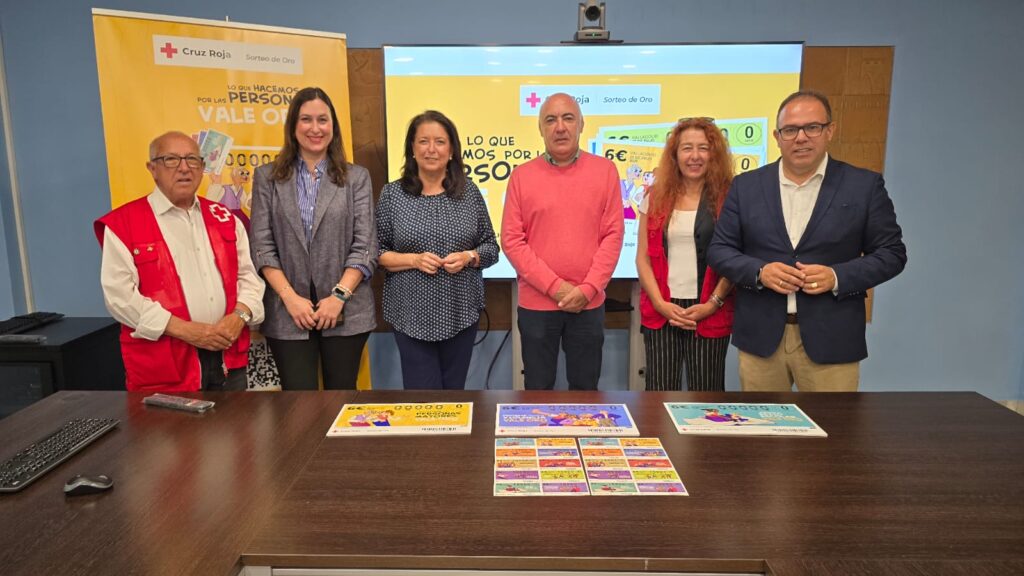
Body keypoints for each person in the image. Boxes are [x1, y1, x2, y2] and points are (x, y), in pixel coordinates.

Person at [708, 90, 906, 391]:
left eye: (812, 127)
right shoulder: (746, 186)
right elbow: (720, 250)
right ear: (777, 136)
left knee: (833, 423)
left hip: (833, 338)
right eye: (790, 130)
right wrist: (760, 272)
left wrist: (837, 276)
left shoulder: (863, 186)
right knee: (760, 422)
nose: (801, 138)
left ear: (830, 131)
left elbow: (892, 253)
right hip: (761, 339)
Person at [95, 131, 265, 392]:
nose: (184, 168)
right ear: (152, 168)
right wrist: (186, 330)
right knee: (169, 422)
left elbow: (249, 278)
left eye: (192, 160)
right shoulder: (124, 224)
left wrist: (239, 316)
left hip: (227, 357)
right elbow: (120, 297)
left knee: (238, 420)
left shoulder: (224, 217)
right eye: (171, 159)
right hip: (165, 363)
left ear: (202, 167)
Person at [249, 87, 377, 390]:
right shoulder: (267, 177)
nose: (315, 128)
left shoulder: (356, 178)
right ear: (293, 126)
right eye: (306, 119)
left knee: (342, 400)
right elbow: (262, 245)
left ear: (333, 126)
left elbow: (365, 245)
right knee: (298, 404)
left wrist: (339, 297)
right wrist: (290, 298)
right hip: (287, 311)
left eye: (323, 119)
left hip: (347, 310)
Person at [501, 93, 624, 390]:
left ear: (581, 124)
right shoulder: (521, 176)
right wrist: (557, 287)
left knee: (586, 391)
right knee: (537, 391)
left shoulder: (605, 171)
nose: (560, 127)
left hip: (588, 304)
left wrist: (588, 288)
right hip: (537, 306)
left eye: (568, 118)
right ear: (540, 128)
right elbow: (512, 240)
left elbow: (613, 235)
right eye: (550, 120)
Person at [376, 110, 499, 390]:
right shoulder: (392, 195)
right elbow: (377, 253)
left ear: (452, 150)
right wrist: (414, 260)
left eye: (440, 142)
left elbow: (491, 248)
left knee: (455, 397)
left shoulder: (469, 193)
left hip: (461, 311)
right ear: (412, 148)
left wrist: (469, 257)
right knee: (422, 400)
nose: (431, 149)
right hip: (409, 314)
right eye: (423, 141)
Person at [636, 117, 735, 392]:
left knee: (706, 398)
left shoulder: (730, 197)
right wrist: (660, 304)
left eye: (703, 148)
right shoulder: (655, 196)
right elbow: (643, 257)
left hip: (710, 309)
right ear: (675, 155)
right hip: (663, 310)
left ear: (714, 154)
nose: (695, 156)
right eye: (687, 148)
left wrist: (712, 304)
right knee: (658, 394)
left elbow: (735, 258)